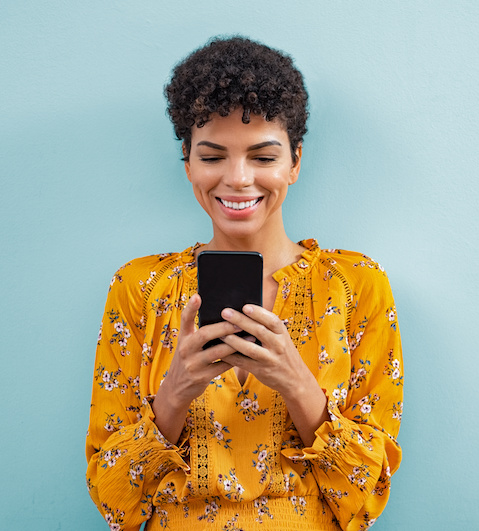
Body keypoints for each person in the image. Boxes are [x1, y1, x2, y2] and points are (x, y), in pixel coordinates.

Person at [85, 36, 403, 531]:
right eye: (213, 156)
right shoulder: (139, 288)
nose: (237, 178)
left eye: (262, 156)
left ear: (295, 162)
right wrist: (173, 394)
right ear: (187, 162)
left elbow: (364, 499)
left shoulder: (356, 286)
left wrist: (299, 385)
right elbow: (112, 502)